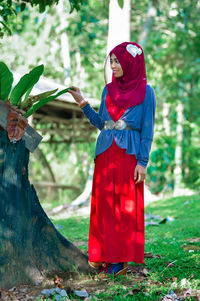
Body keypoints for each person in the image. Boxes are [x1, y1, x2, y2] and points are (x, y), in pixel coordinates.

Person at [68, 42, 156, 277]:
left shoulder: (147, 92)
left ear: (130, 63)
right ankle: (99, 255)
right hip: (106, 152)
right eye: (112, 61)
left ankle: (119, 259)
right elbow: (101, 124)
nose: (114, 66)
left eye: (118, 61)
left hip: (129, 155)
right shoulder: (108, 90)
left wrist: (143, 162)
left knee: (124, 207)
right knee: (104, 206)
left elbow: (147, 130)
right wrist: (82, 103)